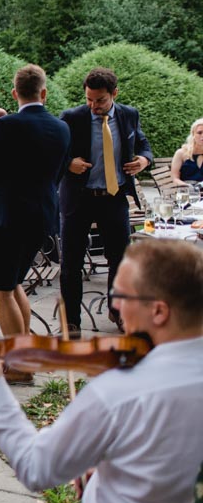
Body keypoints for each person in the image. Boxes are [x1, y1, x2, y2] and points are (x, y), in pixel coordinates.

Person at [0, 240, 203, 503]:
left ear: (159, 311)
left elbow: (36, 468)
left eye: (122, 297)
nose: (115, 307)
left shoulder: (122, 389)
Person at [0, 65, 70, 377]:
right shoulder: (62, 128)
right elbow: (55, 175)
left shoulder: (7, 126)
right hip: (41, 215)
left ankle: (19, 364)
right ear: (43, 93)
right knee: (14, 283)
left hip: (8, 216)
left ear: (14, 92)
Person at [59, 67, 152, 332]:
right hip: (79, 198)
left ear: (114, 94)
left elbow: (144, 145)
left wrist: (144, 159)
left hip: (114, 197)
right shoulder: (72, 117)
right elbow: (53, 153)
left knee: (120, 260)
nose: (93, 105)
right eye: (89, 99)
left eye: (99, 100)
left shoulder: (129, 115)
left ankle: (117, 311)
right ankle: (72, 321)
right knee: (71, 262)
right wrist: (69, 163)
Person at [170, 117, 203, 185]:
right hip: (186, 192)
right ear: (193, 134)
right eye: (199, 133)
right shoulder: (181, 153)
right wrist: (188, 187)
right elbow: (175, 178)